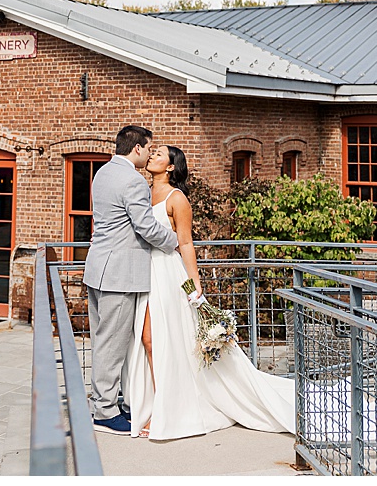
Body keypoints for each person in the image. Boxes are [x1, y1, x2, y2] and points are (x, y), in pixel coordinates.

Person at [123, 142, 294, 440]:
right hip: (142, 273)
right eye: (152, 153)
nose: (152, 156)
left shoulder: (177, 199)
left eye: (159, 154)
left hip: (168, 274)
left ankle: (168, 410)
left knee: (164, 340)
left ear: (171, 166)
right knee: (148, 341)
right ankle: (156, 404)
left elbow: (186, 244)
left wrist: (195, 288)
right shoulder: (140, 190)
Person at [82, 123, 186, 433]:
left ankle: (113, 403)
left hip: (98, 268)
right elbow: (145, 227)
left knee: (104, 341)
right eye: (149, 148)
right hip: (120, 275)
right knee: (112, 346)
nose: (150, 153)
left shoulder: (102, 173)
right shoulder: (134, 182)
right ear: (137, 148)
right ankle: (104, 411)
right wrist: (174, 241)